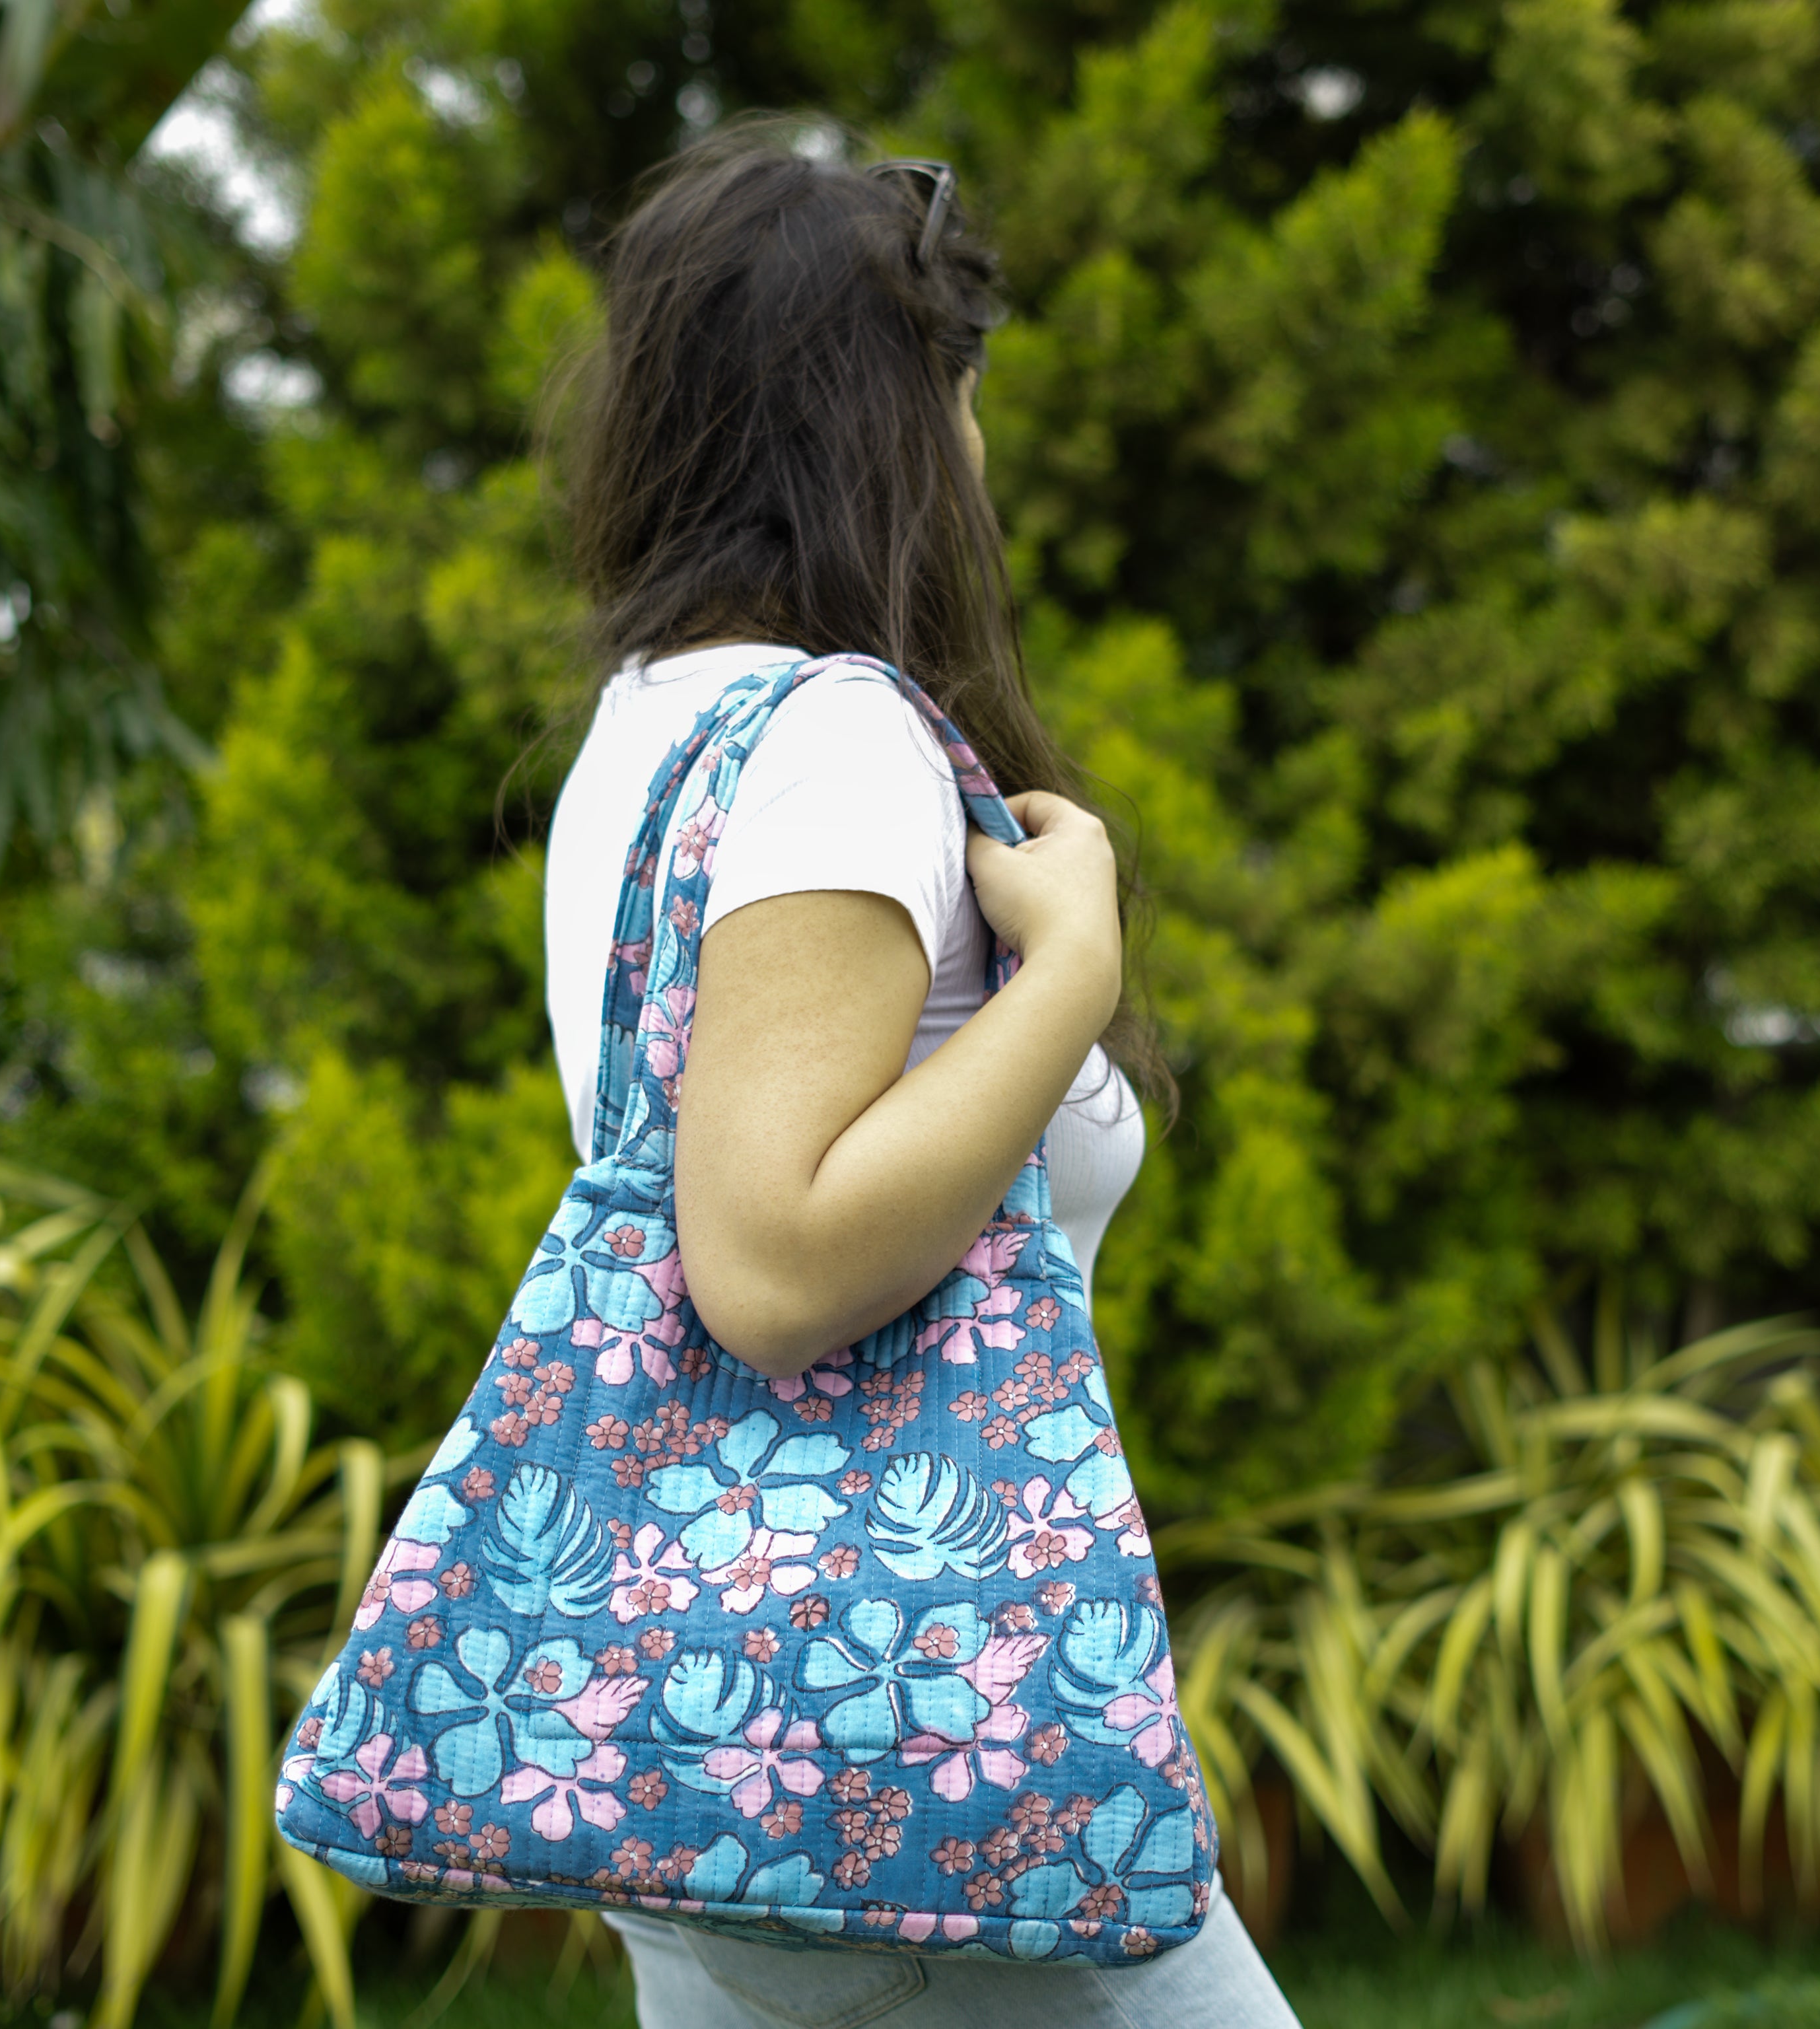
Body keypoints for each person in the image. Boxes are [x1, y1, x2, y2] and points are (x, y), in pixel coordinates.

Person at [543, 124, 1304, 2029]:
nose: (977, 458)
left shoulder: (642, 735)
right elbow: (773, 1264)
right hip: (919, 1737)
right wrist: (1077, 969)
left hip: (702, 1729)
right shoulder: (833, 745)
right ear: (893, 414)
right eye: (958, 402)